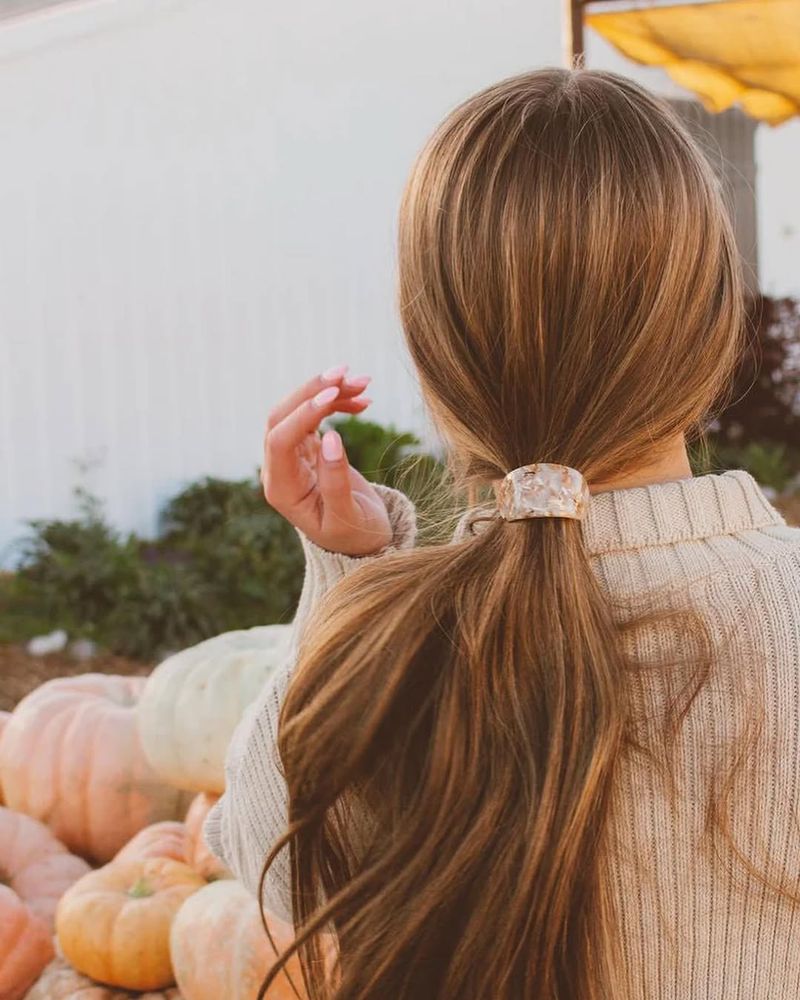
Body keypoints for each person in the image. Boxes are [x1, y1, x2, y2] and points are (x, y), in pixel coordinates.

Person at [204, 68, 800, 1000]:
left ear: (431, 353)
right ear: (714, 322)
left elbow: (262, 852)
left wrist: (352, 575)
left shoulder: (395, 643)